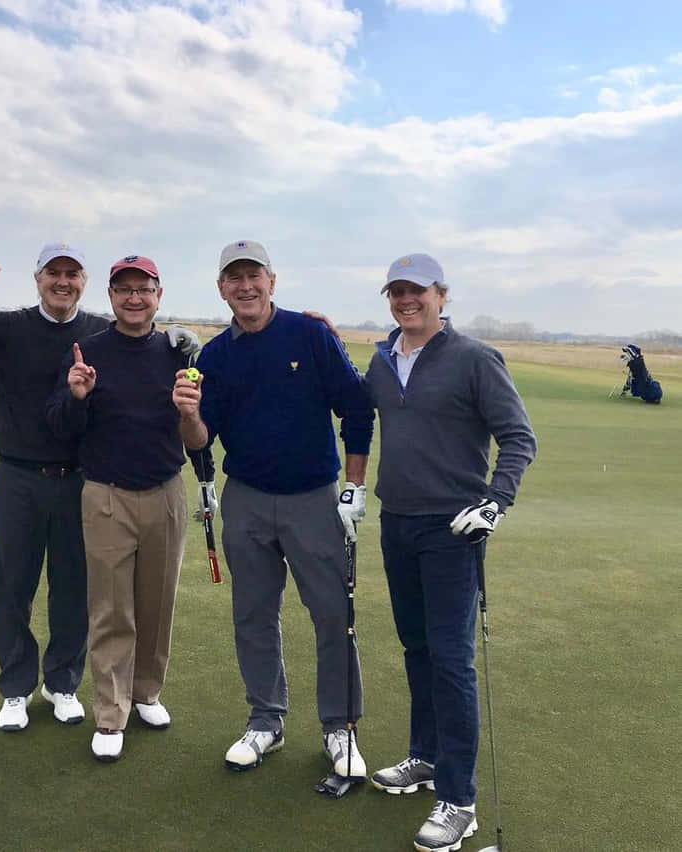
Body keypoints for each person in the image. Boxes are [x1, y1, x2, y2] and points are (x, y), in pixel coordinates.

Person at [0, 243, 199, 732]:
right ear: (38, 279)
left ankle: (62, 682)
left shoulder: (96, 333)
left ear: (85, 283)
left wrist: (181, 338)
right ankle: (15, 687)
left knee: (74, 588)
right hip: (18, 475)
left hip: (79, 478)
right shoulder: (8, 326)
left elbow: (139, 337)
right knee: (14, 585)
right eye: (54, 273)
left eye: (72, 274)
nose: (62, 282)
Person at [172, 240, 375, 779]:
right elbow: (201, 438)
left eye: (254, 276)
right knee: (253, 614)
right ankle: (266, 720)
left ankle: (340, 728)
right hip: (248, 499)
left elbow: (356, 408)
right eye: (234, 278)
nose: (245, 287)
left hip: (314, 498)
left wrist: (354, 486)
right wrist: (188, 414)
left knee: (332, 614)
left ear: (272, 281)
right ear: (221, 289)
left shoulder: (310, 335)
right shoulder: (215, 356)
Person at [363, 253, 537, 852]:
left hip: (452, 530)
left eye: (417, 291)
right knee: (417, 649)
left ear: (441, 295)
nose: (406, 300)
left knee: (452, 660)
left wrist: (496, 501)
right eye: (396, 292)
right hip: (397, 522)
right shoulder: (382, 360)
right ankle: (426, 757)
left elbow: (519, 437)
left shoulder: (475, 358)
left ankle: (459, 800)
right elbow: (354, 404)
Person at [45, 254, 213, 763]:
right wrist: (77, 395)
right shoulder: (88, 351)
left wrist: (189, 412)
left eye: (144, 289)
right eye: (124, 289)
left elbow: (197, 438)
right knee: (112, 608)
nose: (134, 298)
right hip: (106, 494)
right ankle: (111, 712)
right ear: (111, 296)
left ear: (159, 295)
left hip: (165, 492)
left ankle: (146, 693)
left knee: (157, 604)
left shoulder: (178, 353)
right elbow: (61, 425)